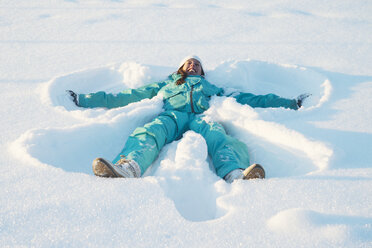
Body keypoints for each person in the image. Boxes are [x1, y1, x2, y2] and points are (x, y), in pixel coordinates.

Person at [67, 56, 310, 183]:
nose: (193, 65)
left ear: (202, 72)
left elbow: (251, 98)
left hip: (202, 117)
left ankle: (236, 174)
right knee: (152, 131)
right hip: (172, 116)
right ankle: (129, 167)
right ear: (181, 68)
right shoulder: (167, 83)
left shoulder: (212, 87)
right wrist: (85, 99)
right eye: (189, 63)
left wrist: (289, 103)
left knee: (219, 136)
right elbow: (128, 95)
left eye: (197, 64)